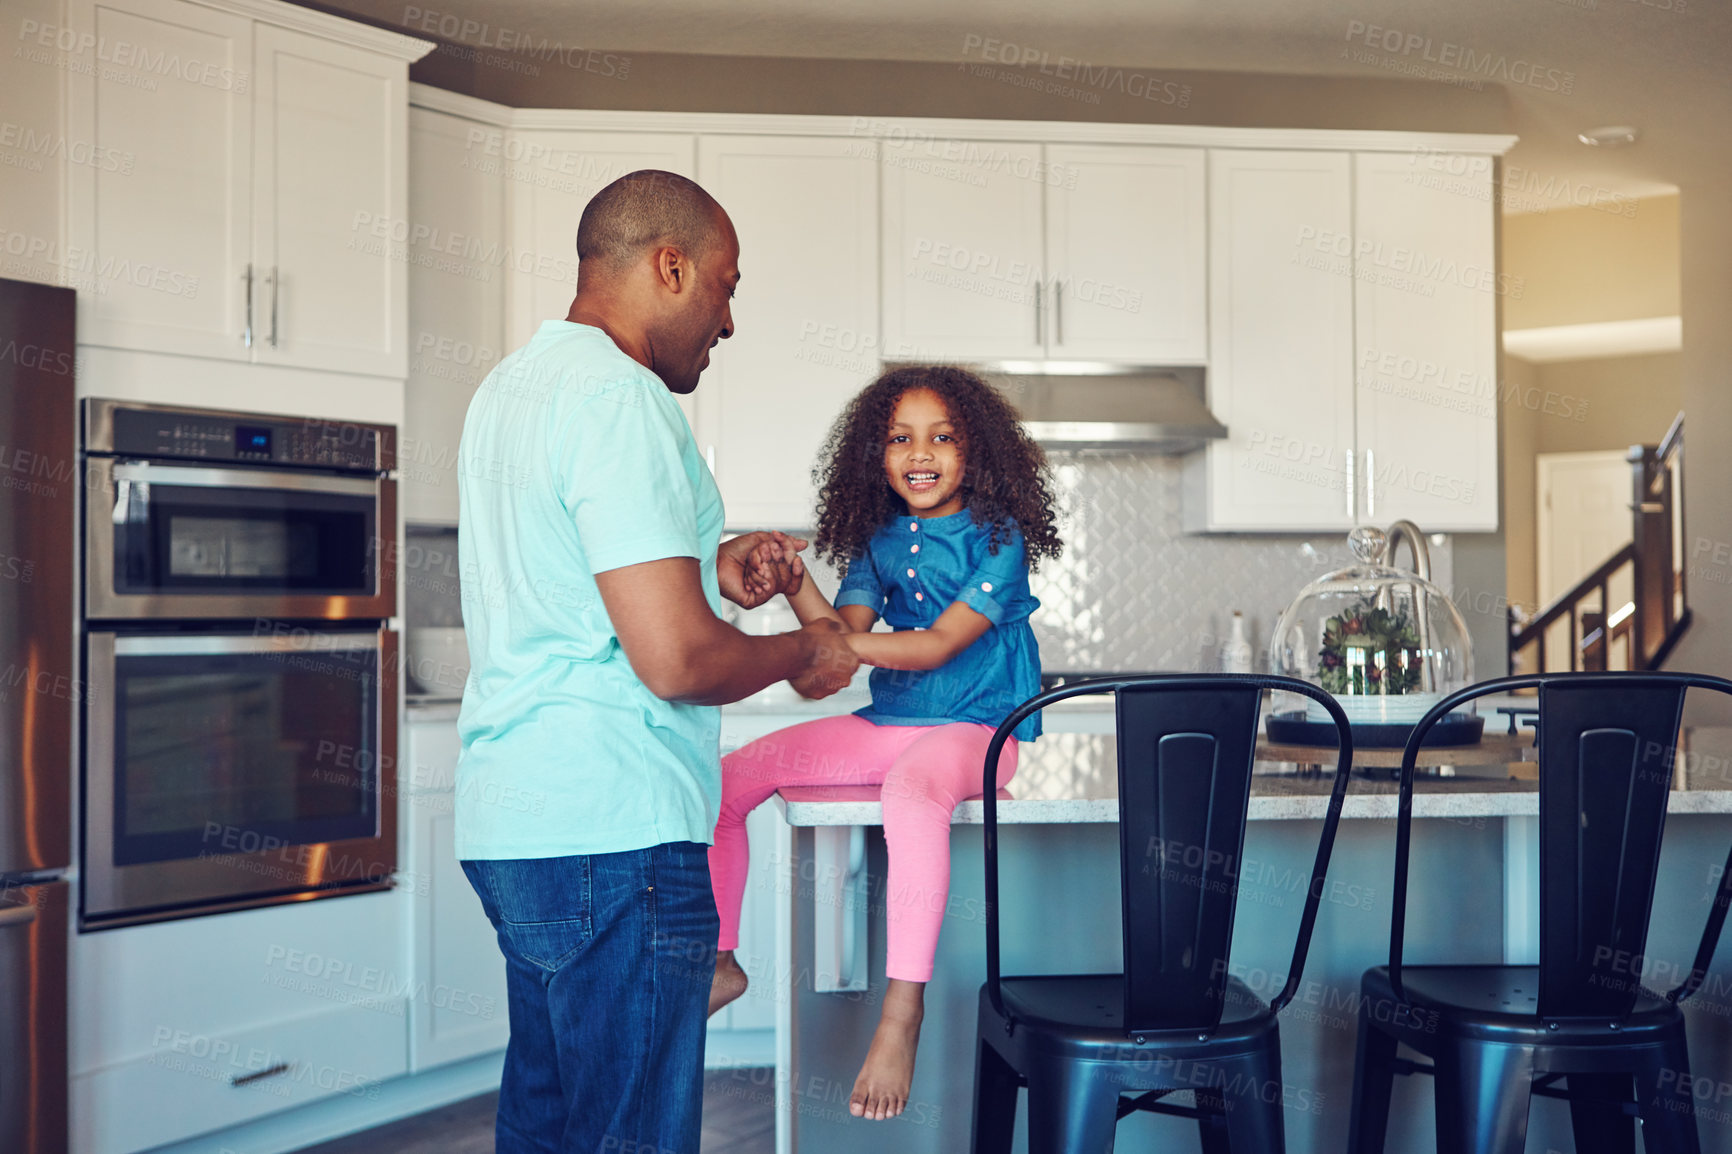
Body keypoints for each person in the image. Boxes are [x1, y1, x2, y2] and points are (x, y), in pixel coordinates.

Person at [454, 169, 860, 1154]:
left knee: (549, 1126)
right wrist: (801, 647)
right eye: (723, 285)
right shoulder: (621, 399)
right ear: (667, 266)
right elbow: (675, 657)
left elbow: (576, 574)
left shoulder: (509, 390)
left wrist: (713, 565)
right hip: (614, 829)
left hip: (517, 823)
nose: (726, 320)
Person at [707, 365, 1064, 1120]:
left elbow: (933, 647)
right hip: (891, 725)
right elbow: (842, 641)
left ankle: (902, 1012)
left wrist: (830, 648)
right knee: (728, 778)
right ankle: (721, 960)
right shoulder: (875, 541)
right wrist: (794, 578)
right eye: (900, 438)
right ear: (875, 454)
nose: (920, 452)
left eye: (942, 436)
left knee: (911, 795)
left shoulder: (1000, 540)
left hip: (979, 730)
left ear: (978, 451)